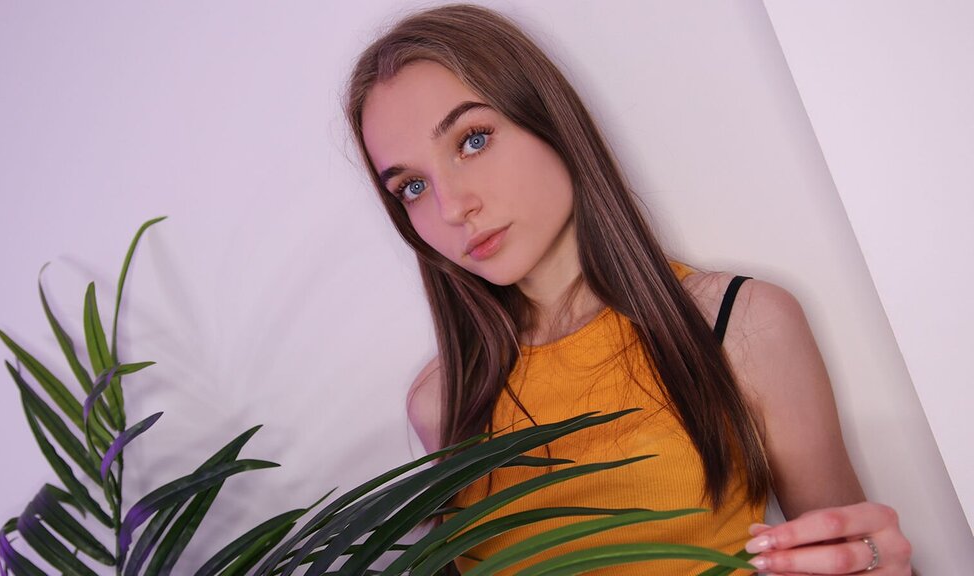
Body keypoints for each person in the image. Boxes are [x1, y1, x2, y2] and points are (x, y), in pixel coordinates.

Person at [345, 4, 913, 575]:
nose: (451, 207)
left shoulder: (737, 325)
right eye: (412, 186)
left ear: (548, 119)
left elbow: (846, 557)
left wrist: (880, 563)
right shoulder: (442, 401)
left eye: (472, 140)